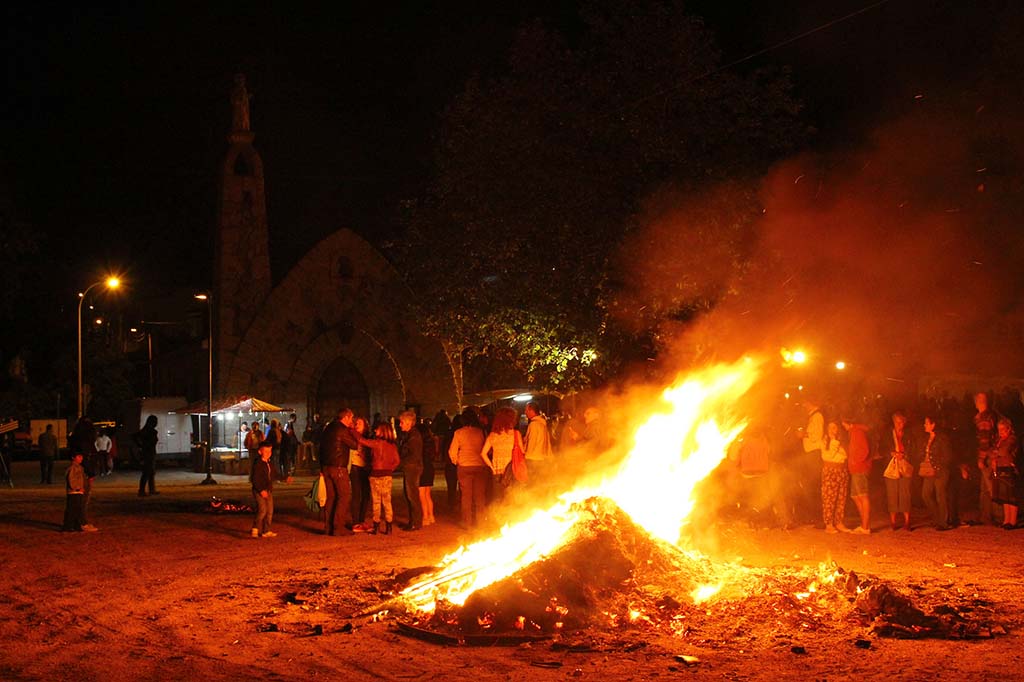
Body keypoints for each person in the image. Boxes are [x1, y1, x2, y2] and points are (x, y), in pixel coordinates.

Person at [318, 408, 359, 536]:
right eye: (351, 418)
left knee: (331, 497)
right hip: (338, 467)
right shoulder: (342, 429)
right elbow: (354, 445)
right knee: (344, 495)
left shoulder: (328, 428)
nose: (352, 421)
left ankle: (328, 527)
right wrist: (353, 431)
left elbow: (321, 448)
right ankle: (338, 527)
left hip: (327, 467)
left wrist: (321, 468)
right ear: (346, 417)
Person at [358, 422, 401, 535]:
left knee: (376, 502)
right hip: (387, 475)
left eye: (376, 429)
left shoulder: (377, 443)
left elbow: (362, 441)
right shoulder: (392, 445)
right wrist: (390, 469)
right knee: (387, 501)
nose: (375, 431)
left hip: (375, 474)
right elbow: (397, 461)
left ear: (382, 431)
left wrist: (352, 432)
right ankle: (389, 527)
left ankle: (376, 526)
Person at [449, 408, 488, 527]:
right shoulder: (481, 432)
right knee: (479, 496)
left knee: (466, 496)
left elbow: (452, 451)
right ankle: (480, 522)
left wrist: (457, 461)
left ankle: (467, 522)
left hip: (464, 466)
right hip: (479, 465)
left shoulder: (459, 433)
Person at [480, 407, 525, 497]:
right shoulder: (516, 434)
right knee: (512, 501)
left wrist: (492, 467)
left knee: (498, 500)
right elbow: (522, 452)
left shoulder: (493, 435)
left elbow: (483, 453)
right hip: (512, 471)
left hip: (497, 472)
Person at [920, 416, 954, 531]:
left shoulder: (942, 438)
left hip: (940, 471)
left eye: (926, 423)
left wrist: (938, 466)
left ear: (933, 425)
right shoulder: (926, 438)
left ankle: (943, 522)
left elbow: (947, 455)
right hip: (928, 470)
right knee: (925, 494)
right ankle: (937, 518)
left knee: (940, 496)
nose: (924, 425)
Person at [974, 392, 1000, 525]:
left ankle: (998, 516)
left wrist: (981, 458)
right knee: (985, 487)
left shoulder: (983, 418)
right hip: (993, 454)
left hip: (988, 456)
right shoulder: (992, 415)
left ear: (977, 402)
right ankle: (986, 516)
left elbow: (985, 439)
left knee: (991, 487)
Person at [884, 411, 913, 531]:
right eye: (897, 422)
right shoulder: (888, 435)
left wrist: (905, 455)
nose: (899, 424)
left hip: (905, 467)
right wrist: (891, 453)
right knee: (892, 493)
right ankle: (893, 522)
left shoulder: (908, 435)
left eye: (901, 422)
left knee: (905, 493)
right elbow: (883, 448)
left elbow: (913, 449)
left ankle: (907, 521)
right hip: (891, 466)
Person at [842, 417, 872, 534]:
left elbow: (865, 450)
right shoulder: (853, 432)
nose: (843, 426)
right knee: (855, 496)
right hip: (855, 469)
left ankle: (865, 527)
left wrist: (856, 460)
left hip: (860, 468)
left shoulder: (857, 432)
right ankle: (864, 524)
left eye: (843, 424)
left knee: (863, 495)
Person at [820, 421, 850, 534]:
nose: (833, 430)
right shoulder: (825, 441)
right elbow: (827, 456)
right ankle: (829, 524)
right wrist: (833, 442)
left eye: (835, 427)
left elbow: (845, 455)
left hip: (842, 471)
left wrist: (837, 447)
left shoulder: (842, 440)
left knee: (841, 498)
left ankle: (839, 522)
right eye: (830, 427)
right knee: (829, 498)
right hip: (830, 471)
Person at [397, 410, 424, 531]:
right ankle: (413, 521)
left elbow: (413, 454)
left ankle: (416, 522)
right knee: (410, 495)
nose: (400, 425)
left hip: (412, 467)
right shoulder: (410, 435)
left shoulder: (413, 436)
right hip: (411, 467)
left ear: (408, 423)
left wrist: (400, 462)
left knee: (412, 495)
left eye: (402, 422)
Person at [991, 418, 1019, 530]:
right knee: (1004, 497)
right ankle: (1006, 520)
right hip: (1000, 469)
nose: (1001, 432)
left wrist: (996, 453)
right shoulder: (1000, 440)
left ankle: (1013, 521)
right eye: (999, 429)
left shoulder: (1012, 439)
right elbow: (991, 451)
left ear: (1009, 429)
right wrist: (996, 454)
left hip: (1009, 470)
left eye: (1003, 429)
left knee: (1011, 496)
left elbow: (1004, 451)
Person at [250, 442, 279, 538]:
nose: (268, 453)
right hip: (259, 491)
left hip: (268, 490)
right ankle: (255, 528)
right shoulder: (258, 464)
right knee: (262, 510)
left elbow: (274, 474)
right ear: (260, 452)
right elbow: (255, 479)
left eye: (270, 451)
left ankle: (266, 530)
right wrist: (261, 490)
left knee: (270, 511)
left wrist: (285, 478)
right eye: (266, 451)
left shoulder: (269, 463)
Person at [349, 416, 372, 531]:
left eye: (360, 423)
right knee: (357, 494)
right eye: (356, 423)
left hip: (365, 467)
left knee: (366, 494)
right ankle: (355, 522)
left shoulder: (368, 438)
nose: (357, 425)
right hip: (355, 466)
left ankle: (361, 520)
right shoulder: (351, 436)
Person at [62, 452, 94, 532]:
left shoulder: (79, 467)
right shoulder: (73, 468)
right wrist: (77, 488)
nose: (81, 458)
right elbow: (71, 480)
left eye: (81, 457)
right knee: (72, 509)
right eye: (79, 457)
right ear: (73, 457)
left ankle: (75, 525)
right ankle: (69, 526)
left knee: (76, 509)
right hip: (74, 492)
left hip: (78, 492)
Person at [417, 420, 437, 526]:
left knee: (422, 494)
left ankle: (425, 517)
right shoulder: (431, 442)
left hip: (422, 468)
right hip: (429, 467)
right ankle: (431, 515)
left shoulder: (420, 444)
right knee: (428, 494)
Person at [523, 402, 551, 475]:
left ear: (532, 411)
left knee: (532, 482)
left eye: (526, 410)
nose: (525, 412)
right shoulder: (543, 424)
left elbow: (532, 441)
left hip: (533, 459)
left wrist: (526, 456)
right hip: (542, 458)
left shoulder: (534, 425)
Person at [135, 415, 159, 497]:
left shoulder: (147, 431)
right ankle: (142, 491)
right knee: (147, 472)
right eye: (155, 421)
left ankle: (151, 489)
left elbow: (135, 437)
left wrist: (140, 446)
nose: (156, 423)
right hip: (148, 454)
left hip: (149, 453)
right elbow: (134, 437)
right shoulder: (148, 431)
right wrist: (141, 446)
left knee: (151, 472)